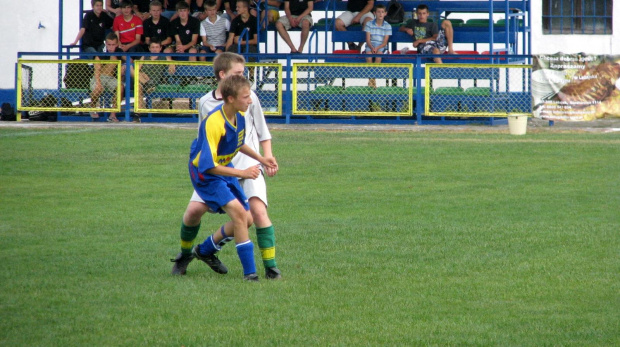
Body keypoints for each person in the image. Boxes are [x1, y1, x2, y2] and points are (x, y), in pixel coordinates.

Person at [171, 52, 282, 280]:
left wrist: (264, 158)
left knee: (254, 215)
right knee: (193, 212)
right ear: (224, 76)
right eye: (239, 74)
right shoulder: (207, 105)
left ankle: (269, 268)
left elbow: (257, 133)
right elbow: (208, 145)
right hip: (215, 169)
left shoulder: (247, 100)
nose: (244, 77)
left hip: (246, 166)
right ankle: (186, 255)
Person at [136, 39, 176, 121]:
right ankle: (138, 113)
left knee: (138, 86)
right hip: (142, 80)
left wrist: (172, 65)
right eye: (153, 47)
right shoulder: (144, 57)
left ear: (160, 48)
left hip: (154, 82)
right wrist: (142, 74)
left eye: (157, 47)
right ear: (149, 48)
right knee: (132, 72)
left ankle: (137, 114)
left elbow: (171, 62)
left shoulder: (163, 57)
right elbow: (137, 69)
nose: (155, 49)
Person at [89, 33, 125, 122]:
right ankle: (92, 107)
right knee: (98, 89)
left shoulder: (119, 51)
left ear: (117, 44)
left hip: (111, 79)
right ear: (106, 44)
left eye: (113, 45)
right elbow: (97, 69)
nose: (111, 47)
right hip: (99, 77)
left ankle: (112, 115)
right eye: (109, 44)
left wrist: (125, 65)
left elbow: (129, 60)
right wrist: (98, 82)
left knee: (120, 87)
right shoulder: (101, 51)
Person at [363, 4, 391, 88]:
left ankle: (372, 80)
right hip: (370, 45)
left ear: (385, 13)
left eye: (382, 12)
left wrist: (377, 48)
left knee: (378, 57)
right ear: (374, 13)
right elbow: (368, 40)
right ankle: (372, 81)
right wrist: (372, 48)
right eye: (378, 12)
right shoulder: (369, 24)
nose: (380, 14)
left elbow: (385, 42)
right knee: (369, 57)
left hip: (381, 46)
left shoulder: (387, 26)